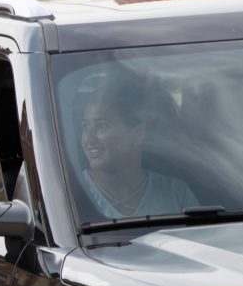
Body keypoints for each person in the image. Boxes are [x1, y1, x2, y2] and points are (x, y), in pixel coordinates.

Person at [79, 83, 198, 218]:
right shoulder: (71, 194)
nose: (89, 138)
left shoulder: (177, 193)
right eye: (86, 127)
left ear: (138, 133)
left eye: (102, 125)